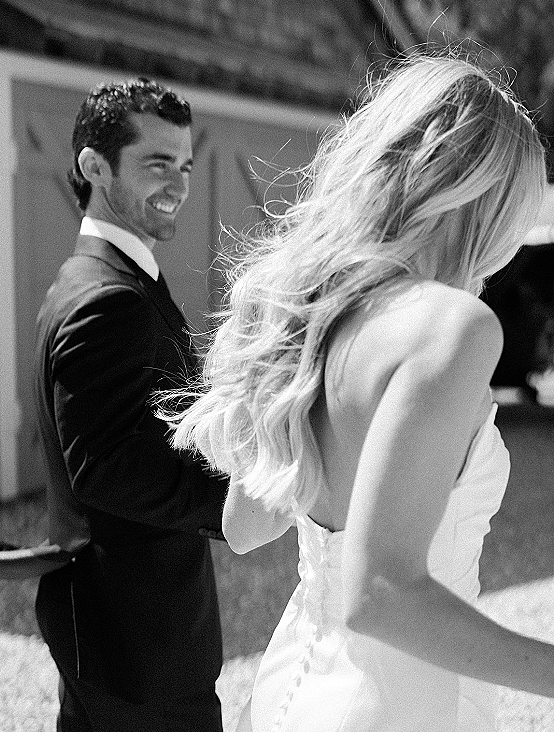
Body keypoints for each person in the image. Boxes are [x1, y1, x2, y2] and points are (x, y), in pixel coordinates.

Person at [163, 54, 554, 731]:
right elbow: (381, 594)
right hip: (402, 704)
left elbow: (244, 527)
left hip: (296, 683)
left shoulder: (308, 315)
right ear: (483, 199)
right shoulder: (452, 326)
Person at [33, 78, 227, 732]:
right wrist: (241, 499)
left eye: (184, 166)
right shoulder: (106, 296)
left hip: (110, 638)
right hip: (141, 649)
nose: (177, 183)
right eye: (156, 163)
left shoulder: (96, 276)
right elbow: (108, 467)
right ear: (94, 166)